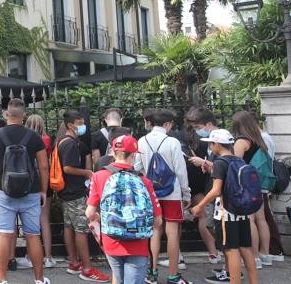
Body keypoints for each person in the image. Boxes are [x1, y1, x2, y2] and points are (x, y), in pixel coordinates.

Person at [0, 99, 50, 284]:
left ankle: (2, 279)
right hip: (31, 191)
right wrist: (43, 191)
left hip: (4, 190)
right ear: (24, 116)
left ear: (6, 114)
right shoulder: (34, 137)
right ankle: (39, 279)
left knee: (4, 234)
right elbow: (44, 166)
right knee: (33, 235)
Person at [85, 135, 164, 284]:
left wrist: (100, 216)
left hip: (111, 240)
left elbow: (89, 213)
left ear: (113, 154)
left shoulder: (99, 176)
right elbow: (158, 221)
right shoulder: (144, 181)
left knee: (118, 278)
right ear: (134, 155)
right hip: (138, 243)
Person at [190, 129, 259, 284]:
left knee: (231, 250)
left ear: (216, 145)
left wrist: (199, 206)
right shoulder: (238, 160)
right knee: (246, 247)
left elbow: (216, 191)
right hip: (242, 211)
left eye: (211, 144)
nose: (211, 148)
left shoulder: (220, 162)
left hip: (226, 211)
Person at [134, 109, 191, 284]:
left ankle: (152, 273)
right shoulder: (173, 142)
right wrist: (186, 192)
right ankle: (173, 275)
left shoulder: (142, 141)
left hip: (152, 192)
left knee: (154, 230)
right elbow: (180, 170)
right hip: (172, 192)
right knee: (172, 232)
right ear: (167, 124)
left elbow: (136, 166)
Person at [56, 111, 109, 282]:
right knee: (81, 229)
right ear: (70, 125)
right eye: (79, 122)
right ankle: (87, 268)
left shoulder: (62, 142)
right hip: (75, 192)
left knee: (69, 226)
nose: (82, 126)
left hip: (66, 192)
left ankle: (74, 262)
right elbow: (68, 168)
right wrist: (87, 172)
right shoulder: (71, 144)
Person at [231, 111, 273, 269]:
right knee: (261, 219)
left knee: (250, 219)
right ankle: (265, 253)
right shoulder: (259, 139)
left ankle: (254, 257)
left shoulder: (242, 141)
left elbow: (235, 164)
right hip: (260, 184)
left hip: (248, 186)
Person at [184, 107, 224, 265]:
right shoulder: (211, 140)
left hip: (219, 192)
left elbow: (227, 165)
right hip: (213, 189)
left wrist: (204, 162)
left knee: (221, 230)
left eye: (198, 128)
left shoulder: (220, 138)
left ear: (208, 124)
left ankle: (231, 271)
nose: (197, 132)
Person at [17, 114, 57, 269]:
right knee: (44, 220)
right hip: (44, 181)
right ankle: (48, 256)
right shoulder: (46, 139)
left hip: (29, 180)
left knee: (29, 222)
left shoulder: (25, 139)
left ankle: (29, 255)